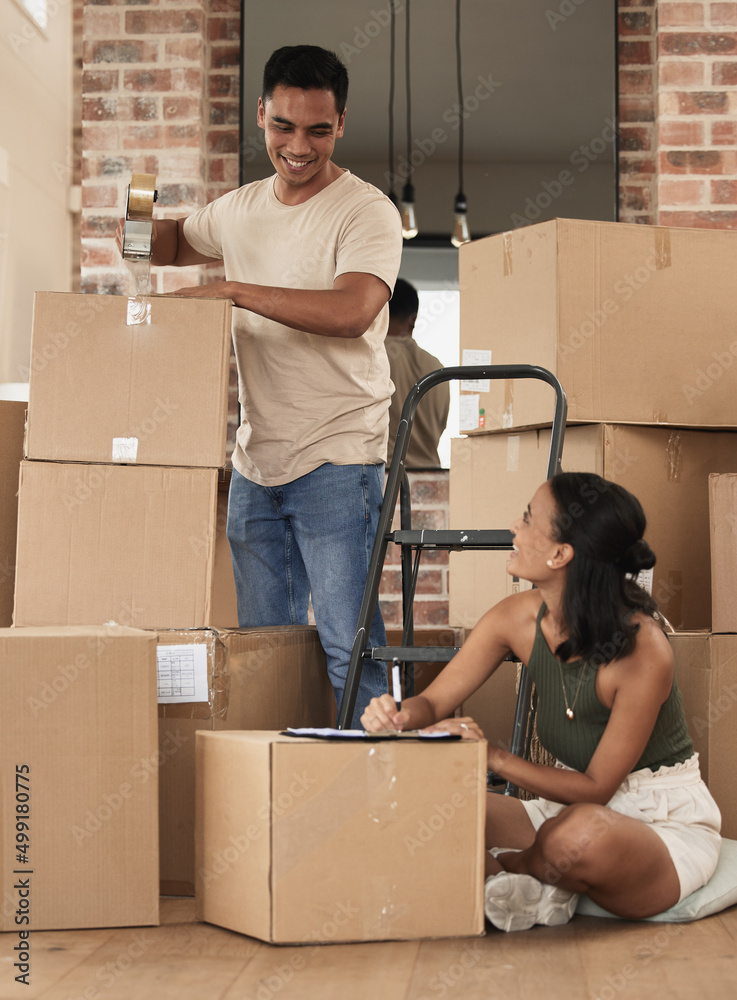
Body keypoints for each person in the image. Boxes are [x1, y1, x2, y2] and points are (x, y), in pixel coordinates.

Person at [117, 45, 403, 726]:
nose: (297, 147)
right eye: (283, 127)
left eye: (317, 130)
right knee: (261, 649)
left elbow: (351, 311)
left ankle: (385, 803)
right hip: (257, 463)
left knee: (348, 647)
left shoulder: (364, 212)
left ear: (341, 125)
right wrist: (130, 207)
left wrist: (234, 290)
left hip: (339, 455)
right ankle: (275, 790)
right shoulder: (238, 211)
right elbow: (164, 245)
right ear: (260, 116)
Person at [362, 472, 722, 931]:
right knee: (423, 805)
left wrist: (489, 756)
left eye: (529, 519)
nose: (515, 525)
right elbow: (432, 703)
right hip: (561, 812)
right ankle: (533, 880)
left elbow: (597, 790)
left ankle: (513, 871)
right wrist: (397, 716)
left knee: (577, 837)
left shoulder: (642, 650)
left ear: (560, 554)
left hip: (656, 823)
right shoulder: (516, 617)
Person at [385, 278, 449, 468]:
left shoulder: (373, 359)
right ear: (413, 319)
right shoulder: (437, 367)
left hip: (386, 482)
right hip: (432, 481)